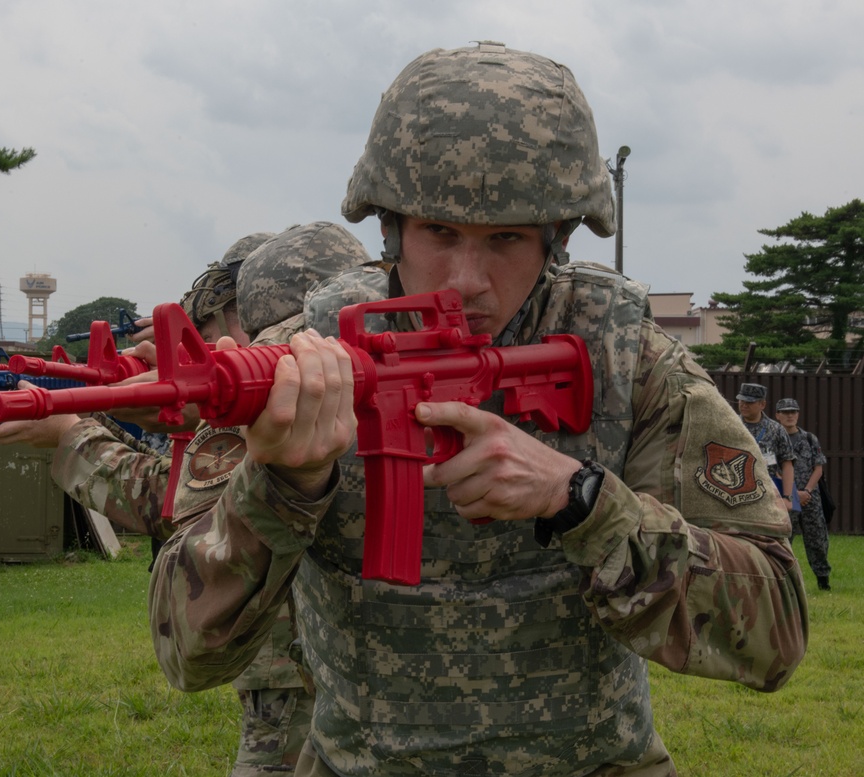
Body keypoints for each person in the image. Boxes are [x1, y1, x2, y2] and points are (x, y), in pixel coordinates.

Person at [148, 42, 809, 777]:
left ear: (555, 237)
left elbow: (777, 632)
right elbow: (188, 651)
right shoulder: (293, 364)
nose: (467, 279)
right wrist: (279, 487)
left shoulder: (630, 363)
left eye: (506, 239)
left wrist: (583, 503)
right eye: (439, 233)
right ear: (391, 227)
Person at [0, 222, 378, 777]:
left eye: (219, 323)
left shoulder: (293, 389)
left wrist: (73, 438)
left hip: (292, 664)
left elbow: (174, 514)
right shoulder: (348, 371)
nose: (219, 344)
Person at [775, 397, 832, 590]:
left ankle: (823, 580)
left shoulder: (809, 438)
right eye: (785, 412)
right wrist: (794, 493)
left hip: (810, 498)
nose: (790, 416)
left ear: (798, 414)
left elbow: (818, 468)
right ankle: (783, 580)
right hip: (786, 498)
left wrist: (806, 491)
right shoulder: (774, 438)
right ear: (778, 415)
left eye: (793, 412)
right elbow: (773, 469)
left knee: (817, 540)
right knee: (783, 540)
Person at [736, 382, 796, 510]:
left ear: (762, 404)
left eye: (750, 402)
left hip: (767, 492)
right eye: (742, 401)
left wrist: (788, 497)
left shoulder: (776, 430)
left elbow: (787, 464)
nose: (744, 405)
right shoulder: (730, 425)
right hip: (735, 492)